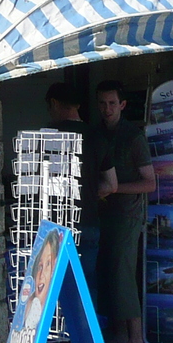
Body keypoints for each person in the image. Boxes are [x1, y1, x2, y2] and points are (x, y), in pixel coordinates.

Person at [88, 80, 156, 343]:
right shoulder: (97, 133)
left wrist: (116, 189)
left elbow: (149, 183)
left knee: (123, 275)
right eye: (102, 103)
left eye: (112, 103)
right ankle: (119, 335)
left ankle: (136, 341)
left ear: (123, 105)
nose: (107, 109)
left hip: (128, 215)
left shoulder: (132, 137)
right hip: (104, 214)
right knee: (107, 273)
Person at [44, 83, 106, 306]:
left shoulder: (47, 136)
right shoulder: (96, 136)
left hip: (55, 223)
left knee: (51, 286)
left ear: (53, 104)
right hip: (88, 219)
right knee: (86, 285)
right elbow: (112, 183)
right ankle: (87, 339)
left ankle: (57, 338)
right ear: (78, 105)